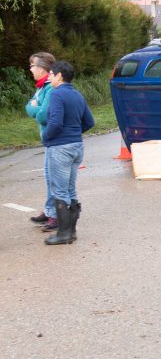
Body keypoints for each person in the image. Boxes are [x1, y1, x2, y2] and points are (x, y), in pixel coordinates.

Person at [42, 61, 94, 245]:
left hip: (60, 148)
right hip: (76, 146)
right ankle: (71, 232)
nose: (49, 77)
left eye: (51, 74)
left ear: (59, 75)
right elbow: (89, 121)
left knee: (59, 190)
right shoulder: (77, 94)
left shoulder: (57, 94)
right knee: (70, 189)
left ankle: (63, 233)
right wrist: (74, 133)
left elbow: (55, 123)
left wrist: (45, 137)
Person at [24, 52, 57, 229]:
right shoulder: (40, 87)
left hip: (55, 140)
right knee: (49, 177)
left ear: (42, 68)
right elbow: (28, 107)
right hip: (48, 140)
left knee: (54, 178)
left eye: (32, 65)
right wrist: (34, 108)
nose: (30, 69)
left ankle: (55, 215)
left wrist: (35, 109)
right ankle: (50, 210)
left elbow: (44, 115)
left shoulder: (50, 87)